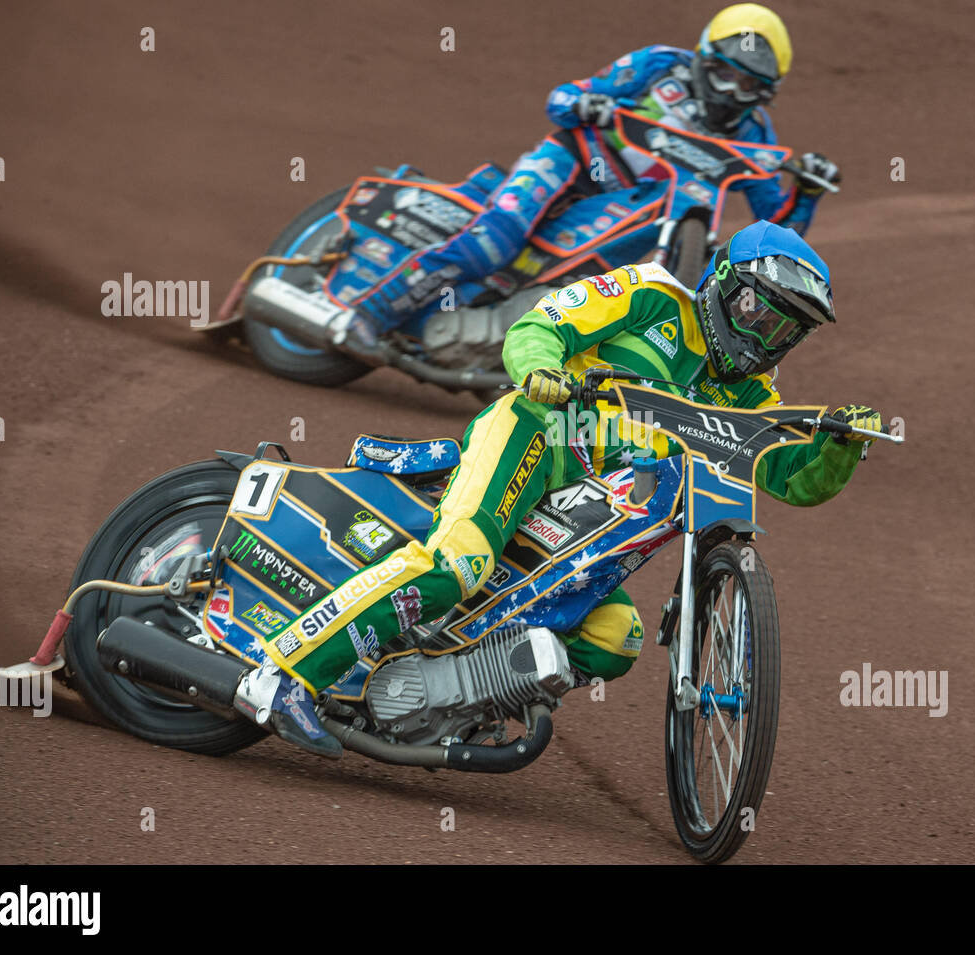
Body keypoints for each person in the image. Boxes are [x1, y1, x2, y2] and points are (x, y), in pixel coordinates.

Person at [234, 219, 883, 757]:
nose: (763, 338)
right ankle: (282, 674)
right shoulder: (653, 294)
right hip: (534, 437)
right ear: (722, 284)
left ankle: (446, 697)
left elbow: (787, 477)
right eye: (757, 314)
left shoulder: (748, 396)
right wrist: (538, 366)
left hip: (579, 520)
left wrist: (840, 445)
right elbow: (543, 323)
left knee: (614, 635)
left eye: (784, 330)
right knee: (460, 561)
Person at [352, 3, 841, 334]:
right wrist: (588, 106)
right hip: (573, 163)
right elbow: (561, 97)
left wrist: (808, 192)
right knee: (493, 242)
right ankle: (368, 313)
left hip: (638, 213)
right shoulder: (658, 65)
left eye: (748, 85)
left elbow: (771, 228)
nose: (732, 92)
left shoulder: (754, 131)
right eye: (724, 74)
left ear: (766, 93)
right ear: (704, 57)